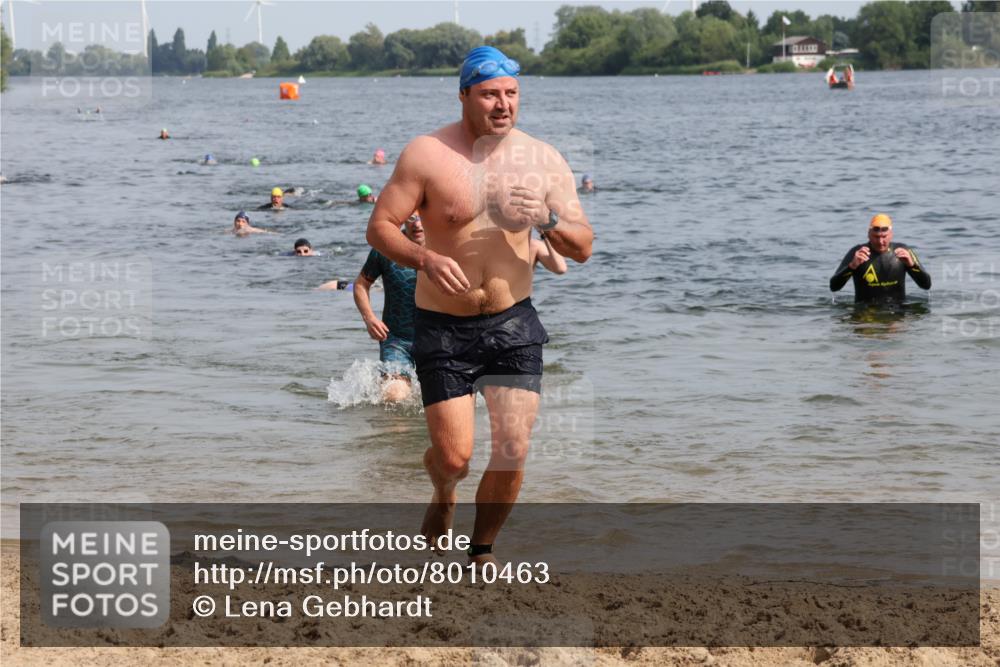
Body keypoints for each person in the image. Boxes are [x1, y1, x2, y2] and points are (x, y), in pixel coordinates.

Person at [365, 45, 593, 566]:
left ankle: (482, 551)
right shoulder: (427, 153)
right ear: (465, 94)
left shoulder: (544, 159)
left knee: (513, 448)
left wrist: (548, 220)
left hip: (514, 322)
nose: (503, 104)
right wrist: (423, 257)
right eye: (490, 94)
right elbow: (378, 228)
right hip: (443, 327)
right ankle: (444, 492)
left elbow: (583, 248)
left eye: (512, 93)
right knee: (454, 458)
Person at [353, 214, 424, 403]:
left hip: (438, 340)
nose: (417, 224)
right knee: (396, 398)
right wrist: (369, 318)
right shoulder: (387, 248)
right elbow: (361, 285)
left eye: (422, 217)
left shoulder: (446, 246)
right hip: (396, 340)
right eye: (411, 218)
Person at [830, 214, 931, 304]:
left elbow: (926, 285)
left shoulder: (903, 251)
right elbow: (834, 287)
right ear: (868, 234)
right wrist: (851, 267)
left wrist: (912, 265)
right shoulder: (858, 253)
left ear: (891, 235)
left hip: (896, 312)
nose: (880, 241)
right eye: (876, 236)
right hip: (865, 313)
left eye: (884, 236)